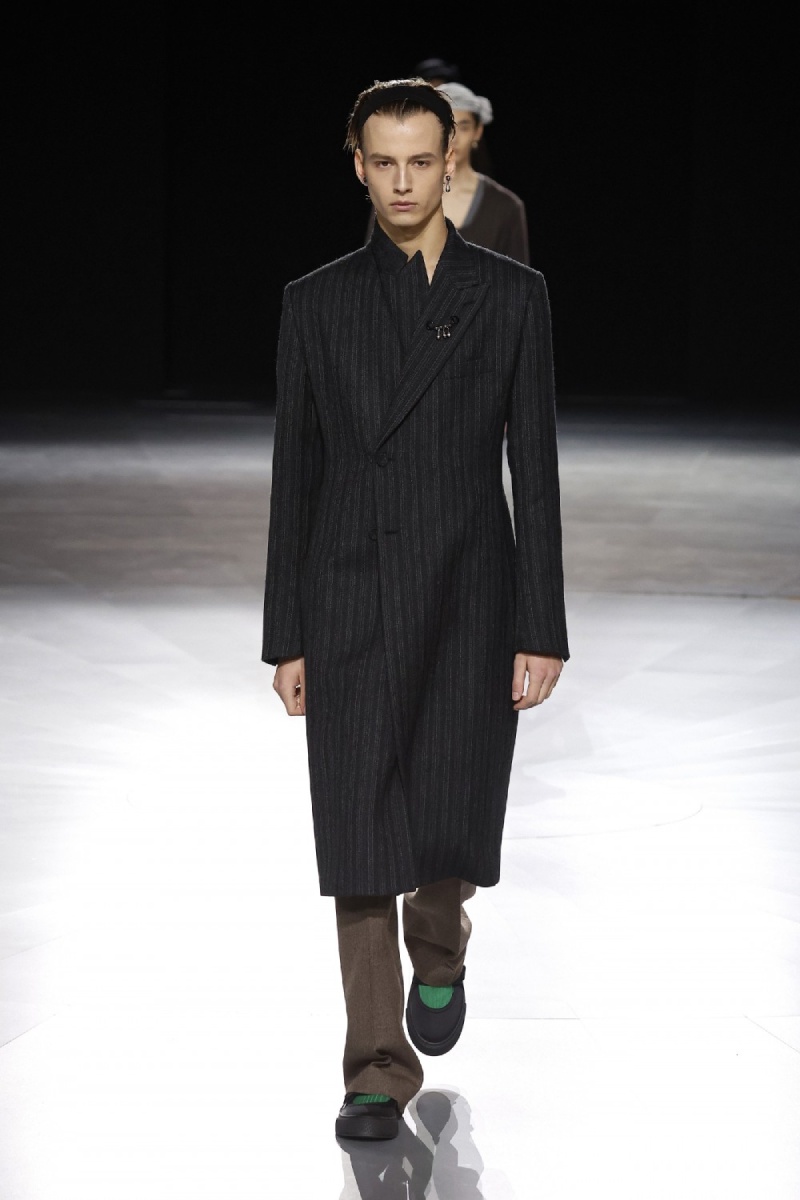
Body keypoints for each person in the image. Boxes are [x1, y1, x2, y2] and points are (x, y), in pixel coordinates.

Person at [262, 78, 569, 1143]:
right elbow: (295, 476)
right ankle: (374, 1067)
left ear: (451, 163)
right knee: (356, 836)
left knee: (443, 808)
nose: (402, 182)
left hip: (468, 586)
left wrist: (540, 625)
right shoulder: (316, 300)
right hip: (347, 584)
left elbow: (533, 466)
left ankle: (440, 942)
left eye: (419, 162)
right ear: (358, 165)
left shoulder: (509, 294)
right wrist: (286, 635)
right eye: (382, 162)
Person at [436, 80, 530, 264]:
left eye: (463, 127)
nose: (454, 138)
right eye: (446, 126)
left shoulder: (505, 207)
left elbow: (518, 279)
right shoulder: (404, 197)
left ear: (477, 132)